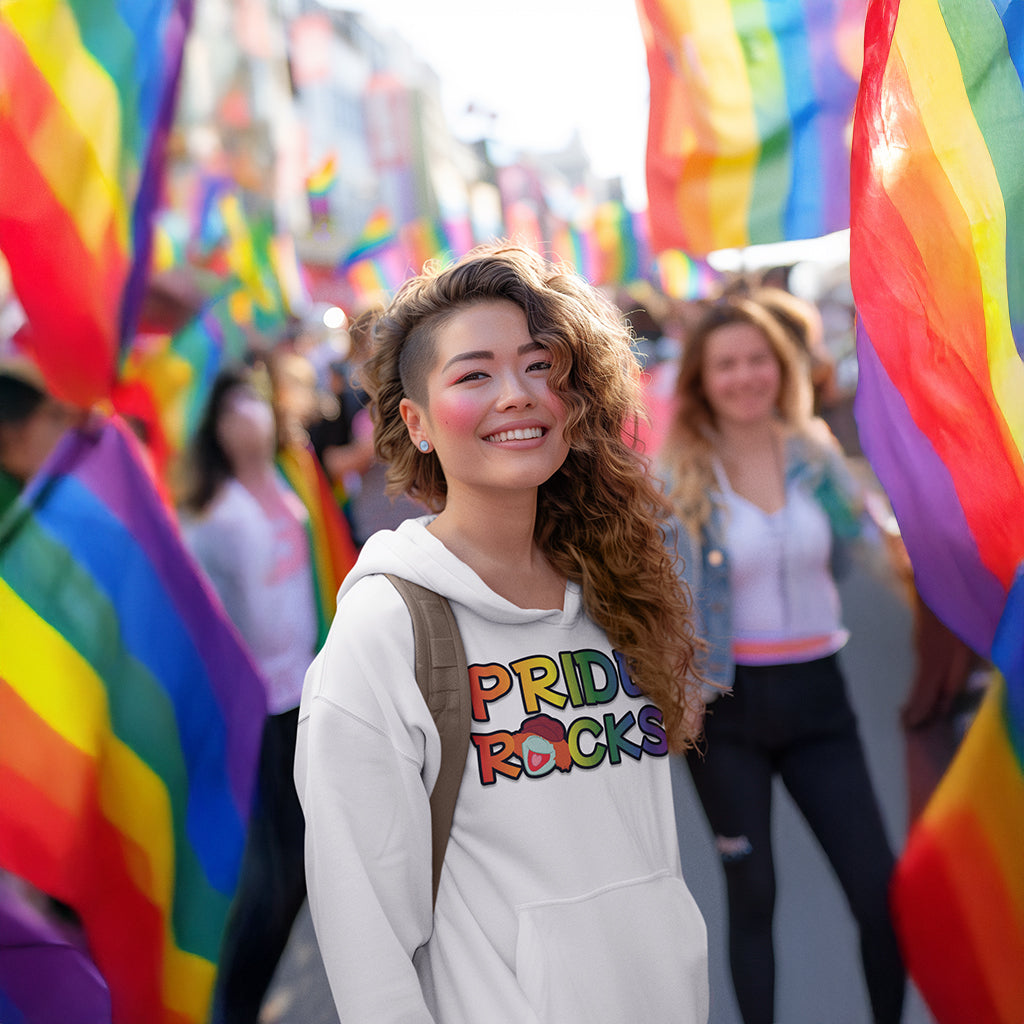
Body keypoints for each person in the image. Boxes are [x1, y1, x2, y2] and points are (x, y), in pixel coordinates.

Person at [294, 244, 710, 1023]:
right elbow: (366, 934)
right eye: (474, 373)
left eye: (539, 365)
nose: (517, 395)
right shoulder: (387, 629)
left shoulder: (612, 588)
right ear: (416, 423)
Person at [659, 296, 905, 1024]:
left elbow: (862, 542)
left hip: (820, 699)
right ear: (702, 380)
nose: (744, 377)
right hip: (727, 713)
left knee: (880, 895)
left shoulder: (815, 452)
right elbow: (659, 602)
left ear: (781, 366)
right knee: (754, 896)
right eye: (726, 364)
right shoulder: (679, 479)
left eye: (757, 360)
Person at [179, 369, 315, 1024]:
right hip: (253, 712)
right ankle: (236, 1003)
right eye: (233, 407)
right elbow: (195, 619)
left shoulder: (288, 478)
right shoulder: (214, 514)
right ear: (216, 427)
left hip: (303, 694)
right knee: (276, 872)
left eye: (255, 401)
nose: (250, 415)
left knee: (307, 860)